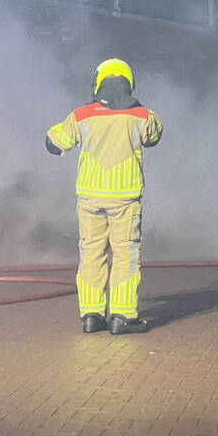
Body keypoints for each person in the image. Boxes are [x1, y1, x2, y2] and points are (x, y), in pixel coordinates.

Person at [46, 58, 163, 335]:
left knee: (91, 254)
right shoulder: (143, 115)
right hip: (124, 198)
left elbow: (53, 144)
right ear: (128, 83)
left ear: (98, 84)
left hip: (90, 198)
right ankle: (122, 316)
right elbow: (154, 137)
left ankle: (91, 315)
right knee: (125, 256)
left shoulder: (81, 115)